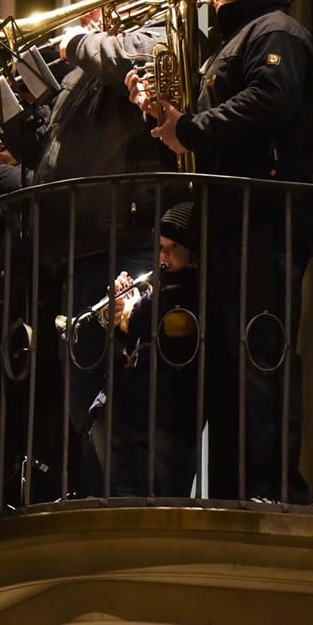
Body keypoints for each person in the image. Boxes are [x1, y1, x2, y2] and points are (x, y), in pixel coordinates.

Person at [0, 0, 178, 502]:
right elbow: (49, 156)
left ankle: (125, 499)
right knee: (85, 398)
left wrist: (81, 42)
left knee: (118, 393)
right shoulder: (82, 77)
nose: (84, 14)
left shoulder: (155, 36)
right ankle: (102, 494)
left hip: (121, 239)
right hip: (76, 249)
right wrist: (6, 106)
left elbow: (142, 61)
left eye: (91, 1)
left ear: (122, 0)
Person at [126, 0, 313, 503]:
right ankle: (237, 491)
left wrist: (189, 126)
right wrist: (166, 116)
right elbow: (216, 131)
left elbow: (270, 101)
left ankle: (271, 490)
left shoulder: (276, 31)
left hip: (266, 217)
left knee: (259, 356)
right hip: (233, 221)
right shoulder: (231, 43)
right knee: (230, 368)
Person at [86, 201, 200, 498]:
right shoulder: (155, 290)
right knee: (122, 490)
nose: (164, 255)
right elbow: (131, 342)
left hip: (168, 410)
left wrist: (131, 310)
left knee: (166, 491)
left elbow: (168, 330)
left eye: (173, 246)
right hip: (130, 404)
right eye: (161, 246)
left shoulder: (192, 289)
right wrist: (121, 312)